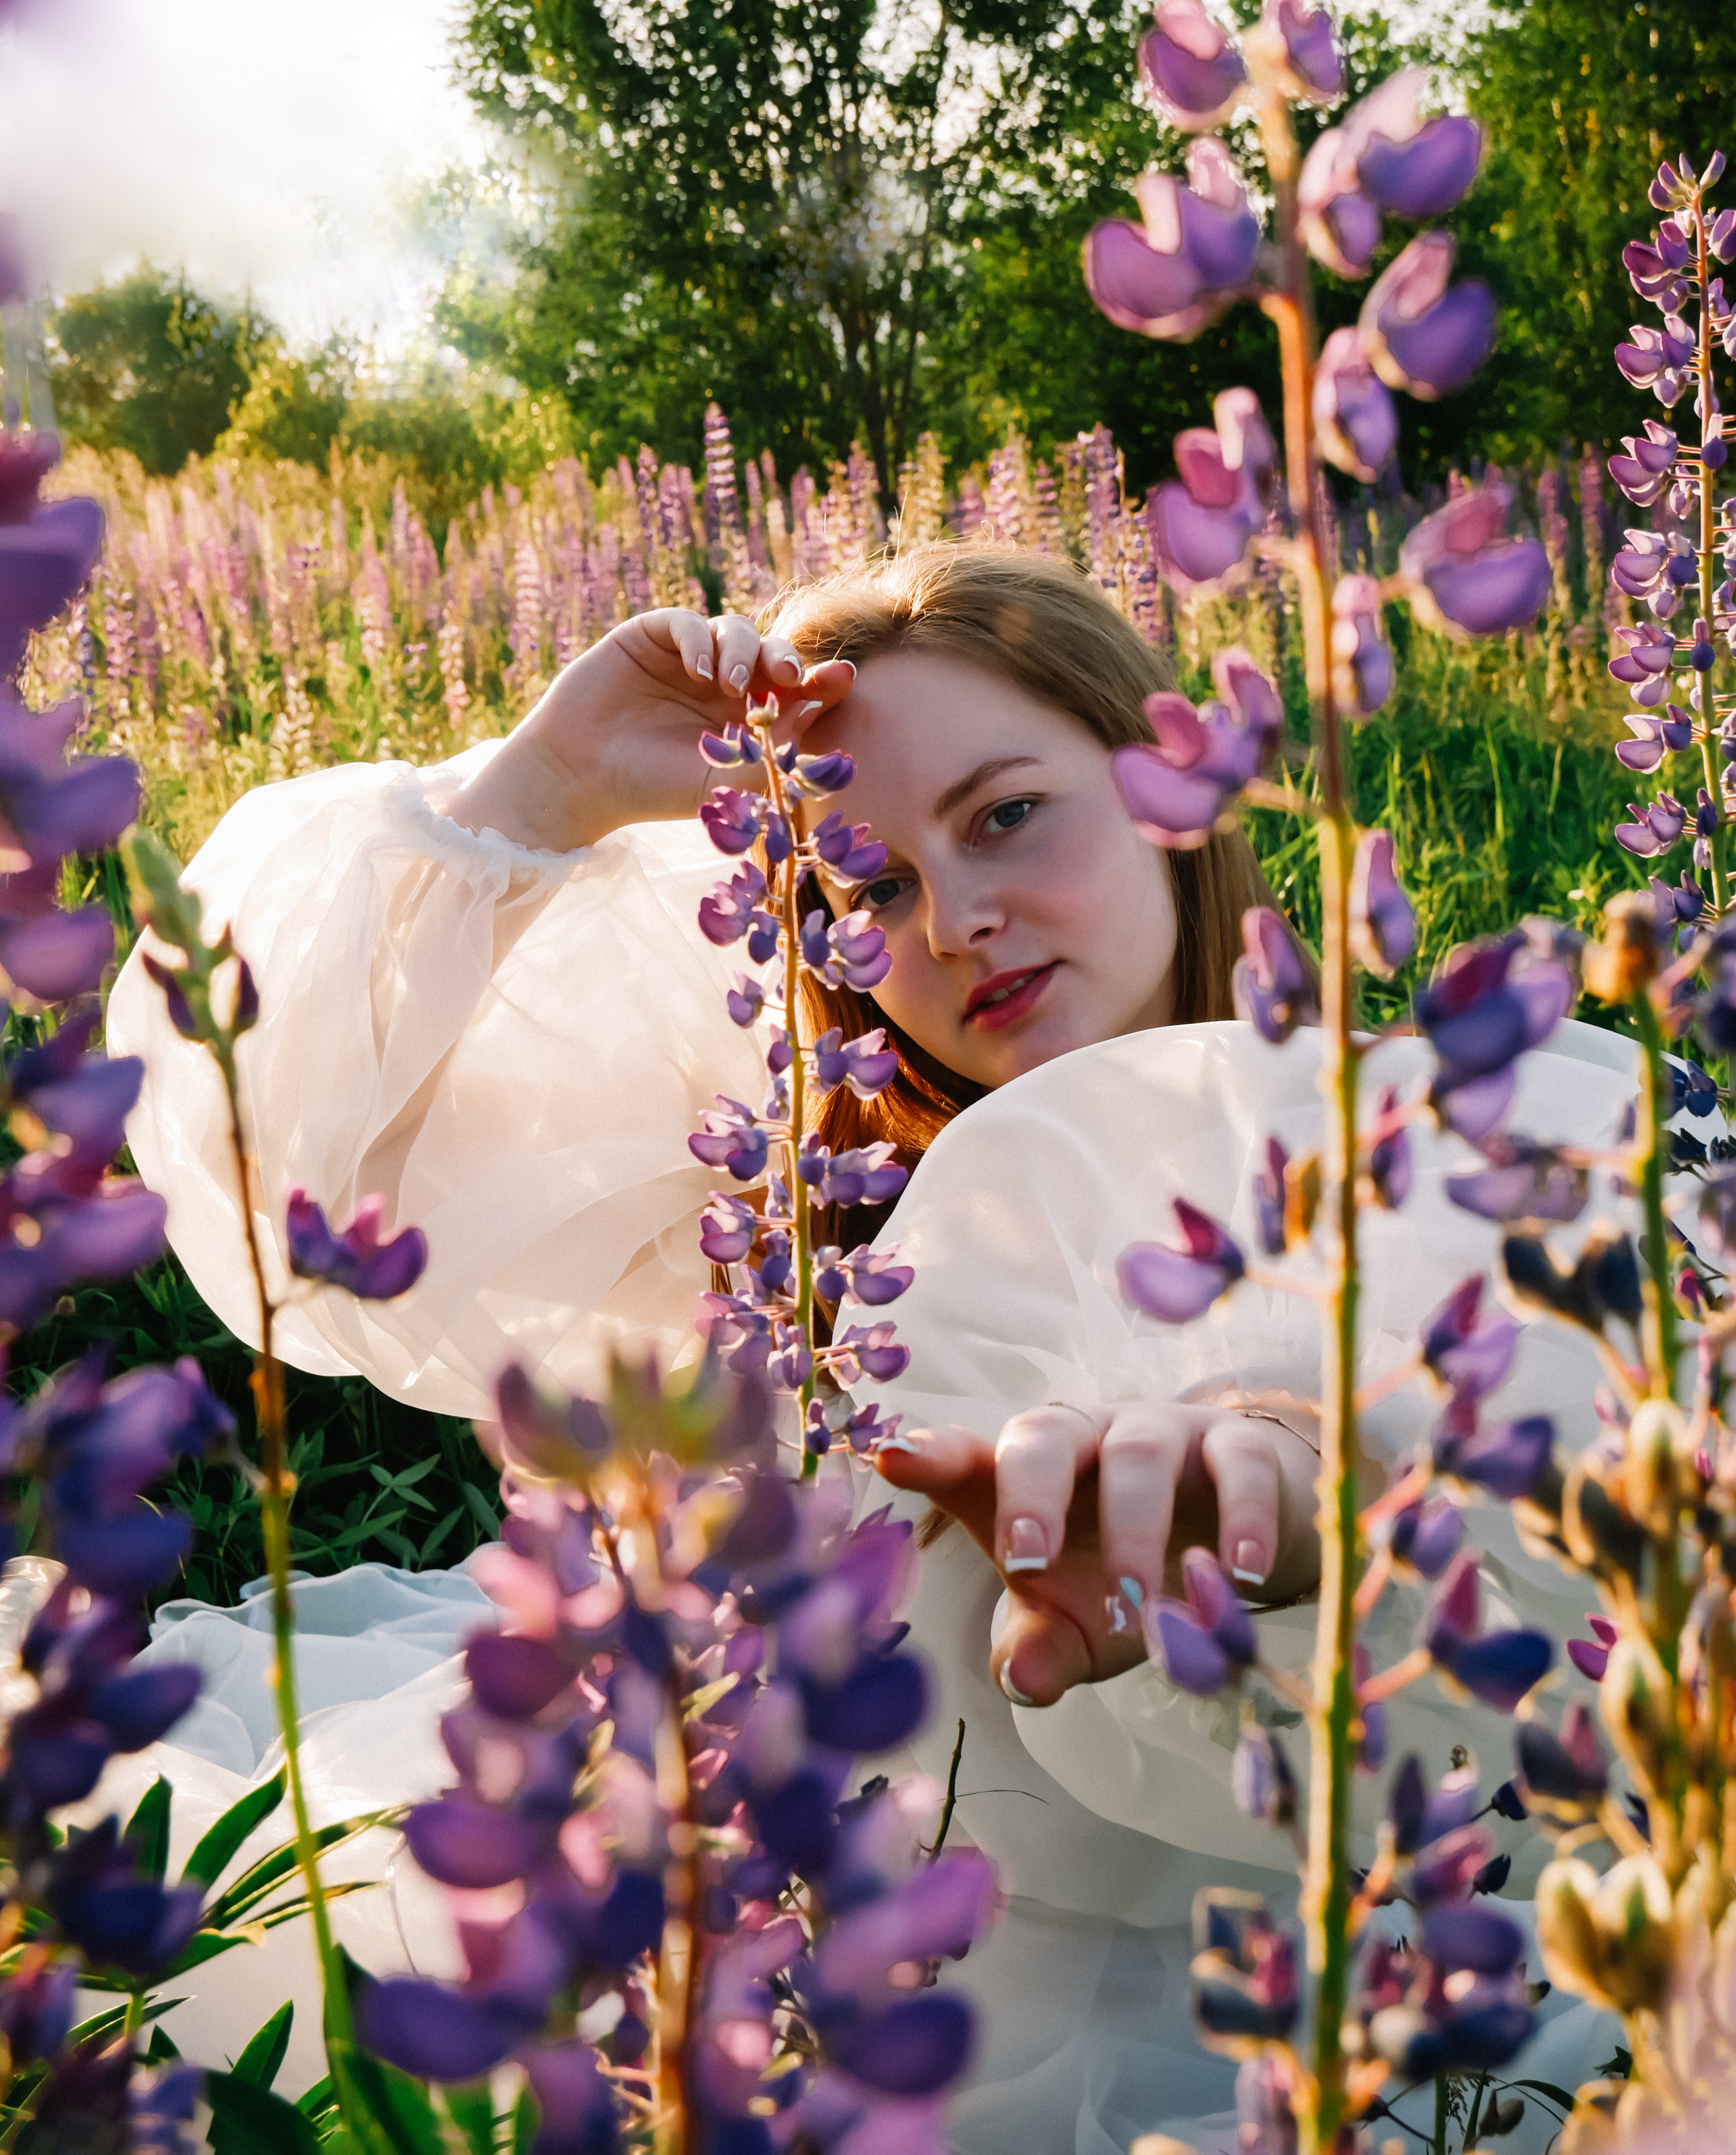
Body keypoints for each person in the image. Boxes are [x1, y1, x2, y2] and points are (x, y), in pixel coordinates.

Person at [107, 544, 1622, 2147]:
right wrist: (545, 783)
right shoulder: (794, 1175)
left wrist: (1282, 1474)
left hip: (1232, 1993)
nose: (957, 919)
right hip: (740, 1926)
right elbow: (307, 1182)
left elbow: (1530, 1423)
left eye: (1006, 814)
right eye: (870, 883)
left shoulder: (1411, 1121)